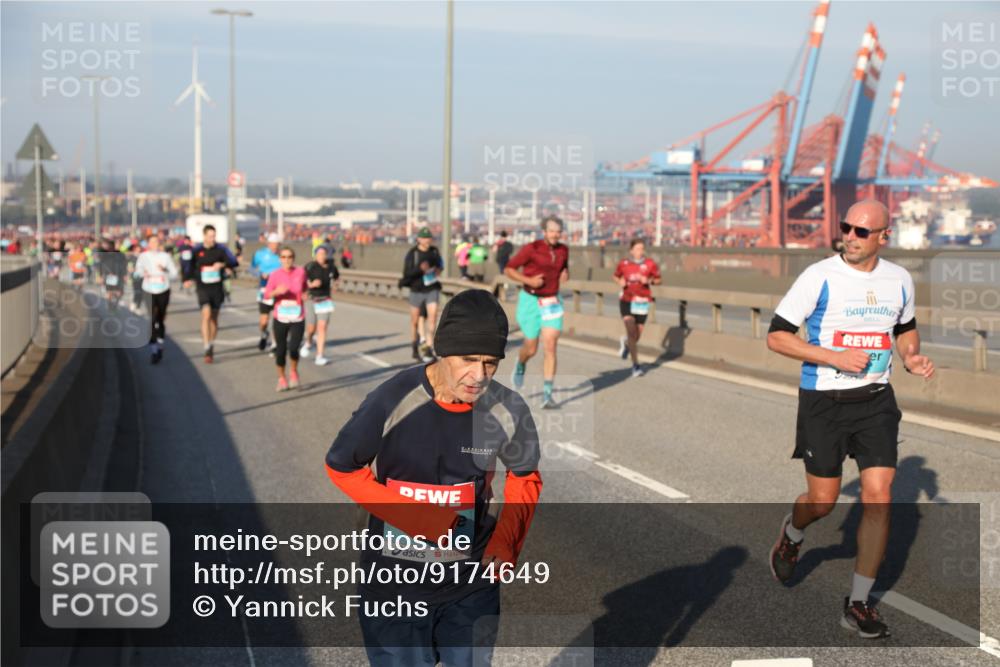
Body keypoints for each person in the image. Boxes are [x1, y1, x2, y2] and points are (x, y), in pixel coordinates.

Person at [324, 289, 542, 666]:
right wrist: (420, 517)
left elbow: (526, 478)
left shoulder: (507, 409)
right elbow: (341, 466)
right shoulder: (392, 399)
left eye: (491, 362)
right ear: (442, 351)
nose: (479, 375)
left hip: (470, 587)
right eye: (468, 359)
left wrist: (506, 543)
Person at [766, 200, 935, 639]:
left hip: (876, 400)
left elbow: (905, 328)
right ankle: (793, 532)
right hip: (824, 399)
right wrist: (832, 355)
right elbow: (777, 336)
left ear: (884, 236)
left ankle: (858, 603)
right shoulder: (819, 276)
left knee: (879, 496)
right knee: (822, 502)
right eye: (847, 228)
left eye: (863, 231)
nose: (851, 237)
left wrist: (912, 356)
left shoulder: (898, 279)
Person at [504, 215, 569, 409]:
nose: (555, 235)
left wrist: (565, 274)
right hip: (530, 301)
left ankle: (547, 395)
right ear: (544, 232)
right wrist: (529, 281)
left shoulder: (564, 250)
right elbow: (509, 269)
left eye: (558, 232)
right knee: (531, 348)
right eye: (552, 231)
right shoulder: (531, 249)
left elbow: (564, 269)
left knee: (550, 346)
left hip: (552, 301)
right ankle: (521, 363)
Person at [182, 225, 239, 364]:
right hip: (203, 287)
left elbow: (234, 261)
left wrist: (223, 264)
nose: (212, 238)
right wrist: (186, 279)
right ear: (204, 236)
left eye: (214, 236)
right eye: (210, 236)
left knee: (214, 318)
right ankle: (206, 346)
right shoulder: (197, 251)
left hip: (217, 288)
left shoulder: (221, 249)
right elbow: (187, 266)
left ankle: (211, 343)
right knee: (206, 314)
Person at [614, 238, 662, 377]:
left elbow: (659, 280)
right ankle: (636, 366)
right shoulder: (624, 264)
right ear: (631, 250)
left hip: (642, 301)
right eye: (637, 249)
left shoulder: (650, 264)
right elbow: (615, 276)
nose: (639, 251)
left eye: (641, 249)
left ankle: (627, 344)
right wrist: (620, 281)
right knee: (630, 329)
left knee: (637, 335)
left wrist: (650, 281)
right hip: (627, 300)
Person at [264, 246, 308, 391]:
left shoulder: (300, 272)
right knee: (281, 351)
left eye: (289, 257)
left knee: (294, 348)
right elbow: (267, 295)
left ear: (293, 258)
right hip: (281, 317)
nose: (287, 259)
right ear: (280, 259)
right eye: (283, 257)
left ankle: (294, 371)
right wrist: (277, 291)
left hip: (297, 316)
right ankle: (282, 378)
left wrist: (305, 295)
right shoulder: (275, 275)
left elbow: (305, 288)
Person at [133, 235, 179, 364]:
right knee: (152, 319)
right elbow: (137, 272)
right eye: (152, 242)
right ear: (148, 244)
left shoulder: (165, 257)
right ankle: (154, 350)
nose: (154, 244)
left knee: (160, 318)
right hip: (148, 289)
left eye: (157, 241)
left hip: (163, 289)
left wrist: (164, 270)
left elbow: (174, 274)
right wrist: (143, 273)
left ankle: (160, 343)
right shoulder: (143, 257)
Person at [400, 227, 443, 362]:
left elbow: (441, 265)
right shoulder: (413, 254)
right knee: (415, 321)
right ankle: (415, 346)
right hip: (416, 289)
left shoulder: (434, 251)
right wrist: (420, 269)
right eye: (424, 238)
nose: (427, 240)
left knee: (433, 317)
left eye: (429, 237)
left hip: (432, 288)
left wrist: (437, 270)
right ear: (418, 239)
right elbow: (406, 273)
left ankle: (429, 347)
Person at [302, 244, 340, 365]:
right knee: (311, 328)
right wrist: (311, 285)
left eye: (324, 254)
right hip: (312, 298)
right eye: (319, 254)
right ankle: (308, 341)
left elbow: (337, 278)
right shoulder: (310, 266)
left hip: (325, 300)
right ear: (315, 255)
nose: (322, 256)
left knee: (322, 327)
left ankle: (320, 355)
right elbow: (302, 281)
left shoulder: (331, 267)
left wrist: (335, 285)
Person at [251, 233, 283, 352]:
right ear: (268, 244)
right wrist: (260, 274)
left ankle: (275, 344)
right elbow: (252, 268)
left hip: (279, 290)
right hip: (265, 289)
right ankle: (264, 333)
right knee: (264, 320)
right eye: (273, 244)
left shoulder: (282, 255)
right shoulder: (260, 254)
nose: (275, 247)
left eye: (277, 244)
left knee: (277, 318)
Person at [98, 239, 128, 312]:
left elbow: (124, 265)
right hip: (109, 275)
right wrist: (101, 275)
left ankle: (115, 304)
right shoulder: (105, 254)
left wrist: (125, 275)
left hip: (119, 275)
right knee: (110, 291)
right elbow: (101, 265)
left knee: (119, 292)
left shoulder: (121, 254)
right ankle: (109, 304)